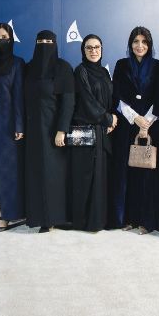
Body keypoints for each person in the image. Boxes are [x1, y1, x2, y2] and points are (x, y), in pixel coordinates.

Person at [110, 26, 159, 234]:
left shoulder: (158, 66)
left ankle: (148, 220)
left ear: (149, 45)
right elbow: (117, 95)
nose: (140, 45)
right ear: (130, 44)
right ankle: (129, 218)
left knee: (149, 174)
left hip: (153, 127)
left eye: (144, 42)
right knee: (128, 172)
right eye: (136, 41)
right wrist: (135, 118)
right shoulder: (121, 65)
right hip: (127, 127)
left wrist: (147, 122)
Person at [24, 30, 75, 232]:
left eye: (49, 41)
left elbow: (68, 102)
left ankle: (53, 217)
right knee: (35, 174)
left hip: (54, 132)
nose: (45, 45)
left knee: (54, 175)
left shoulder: (63, 68)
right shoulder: (29, 68)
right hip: (32, 131)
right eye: (41, 41)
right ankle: (37, 216)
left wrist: (62, 129)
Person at [69, 34, 116, 232]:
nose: (93, 51)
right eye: (89, 47)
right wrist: (108, 118)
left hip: (103, 131)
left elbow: (109, 98)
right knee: (86, 177)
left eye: (97, 47)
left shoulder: (104, 72)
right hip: (86, 131)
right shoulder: (80, 71)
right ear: (83, 50)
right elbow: (87, 101)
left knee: (100, 177)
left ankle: (99, 219)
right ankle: (85, 221)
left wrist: (110, 119)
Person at [0, 23, 26, 233]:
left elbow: (19, 95)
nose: (0, 41)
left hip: (8, 125)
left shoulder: (17, 63)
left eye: (4, 37)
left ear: (10, 40)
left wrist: (19, 125)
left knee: (8, 169)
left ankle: (7, 214)